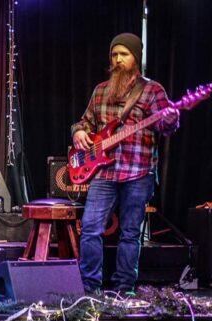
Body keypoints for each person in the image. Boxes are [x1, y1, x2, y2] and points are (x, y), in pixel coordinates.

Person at [71, 33, 179, 293]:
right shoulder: (100, 91)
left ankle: (124, 288)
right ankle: (89, 289)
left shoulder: (152, 90)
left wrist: (171, 116)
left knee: (130, 233)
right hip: (104, 172)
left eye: (124, 54)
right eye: (114, 54)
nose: (118, 59)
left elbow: (167, 126)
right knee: (90, 230)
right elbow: (84, 122)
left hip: (138, 172)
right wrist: (79, 133)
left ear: (136, 58)